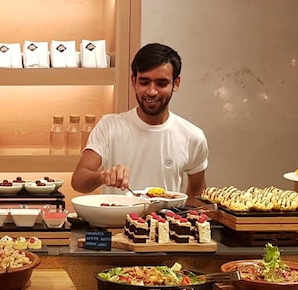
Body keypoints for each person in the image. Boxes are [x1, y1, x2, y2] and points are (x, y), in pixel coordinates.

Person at [71, 43, 208, 203]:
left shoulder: (192, 136)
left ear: (176, 83)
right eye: (144, 82)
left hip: (166, 219)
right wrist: (103, 176)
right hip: (117, 218)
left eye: (161, 83)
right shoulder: (109, 126)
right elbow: (79, 181)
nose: (151, 91)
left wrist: (187, 217)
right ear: (133, 81)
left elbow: (197, 190)